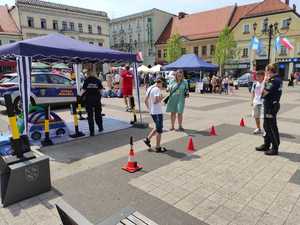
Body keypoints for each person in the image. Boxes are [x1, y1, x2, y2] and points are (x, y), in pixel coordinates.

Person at [256, 64, 282, 156]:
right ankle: (267, 144)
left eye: (266, 70)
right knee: (266, 125)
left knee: (271, 127)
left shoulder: (273, 80)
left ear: (270, 70)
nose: (265, 72)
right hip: (270, 106)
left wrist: (266, 81)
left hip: (270, 107)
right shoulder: (277, 79)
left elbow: (263, 93)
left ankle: (275, 148)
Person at [144, 78, 166, 152]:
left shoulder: (150, 88)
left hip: (153, 112)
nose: (162, 86)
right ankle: (158, 147)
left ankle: (147, 139)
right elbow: (156, 101)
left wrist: (149, 109)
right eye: (162, 84)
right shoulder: (157, 89)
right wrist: (162, 98)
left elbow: (145, 100)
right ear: (161, 82)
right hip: (157, 112)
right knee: (159, 130)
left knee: (157, 127)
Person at [82, 70, 104, 136]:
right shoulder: (97, 80)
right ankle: (100, 127)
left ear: (88, 74)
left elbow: (83, 90)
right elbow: (101, 90)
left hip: (88, 100)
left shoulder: (86, 80)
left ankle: (92, 132)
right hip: (97, 99)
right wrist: (99, 97)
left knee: (90, 116)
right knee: (98, 114)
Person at [251, 70, 265, 135]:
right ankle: (258, 128)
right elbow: (253, 92)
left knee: (264, 117)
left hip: (263, 102)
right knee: (256, 116)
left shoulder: (265, 83)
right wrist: (252, 100)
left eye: (259, 76)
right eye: (257, 76)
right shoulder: (255, 83)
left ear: (263, 76)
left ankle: (265, 130)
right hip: (256, 102)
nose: (258, 77)